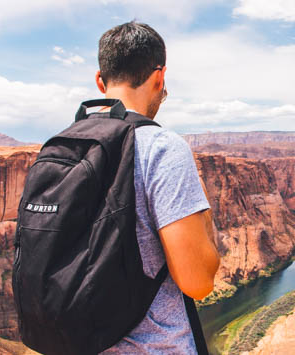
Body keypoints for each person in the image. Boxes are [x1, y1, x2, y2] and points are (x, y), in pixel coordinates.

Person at [94, 21, 220, 354]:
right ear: (159, 77)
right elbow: (198, 283)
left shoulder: (62, 147)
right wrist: (205, 221)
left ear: (100, 80)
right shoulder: (161, 146)